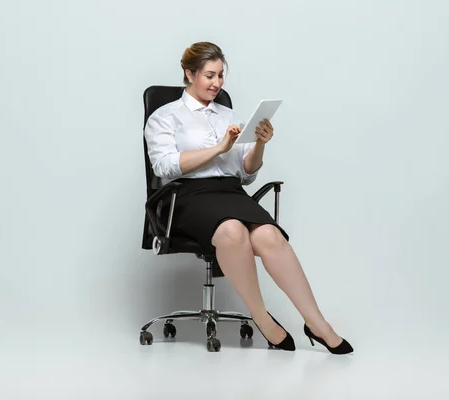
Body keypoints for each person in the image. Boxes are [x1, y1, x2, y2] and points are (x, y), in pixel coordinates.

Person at [144, 41, 353, 354]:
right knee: (232, 231)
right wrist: (218, 149)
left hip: (229, 190)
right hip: (185, 196)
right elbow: (164, 167)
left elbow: (246, 173)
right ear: (189, 74)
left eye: (221, 76)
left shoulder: (229, 115)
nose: (217, 83)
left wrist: (259, 145)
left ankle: (316, 323)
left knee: (270, 235)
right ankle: (262, 318)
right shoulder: (165, 117)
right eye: (209, 76)